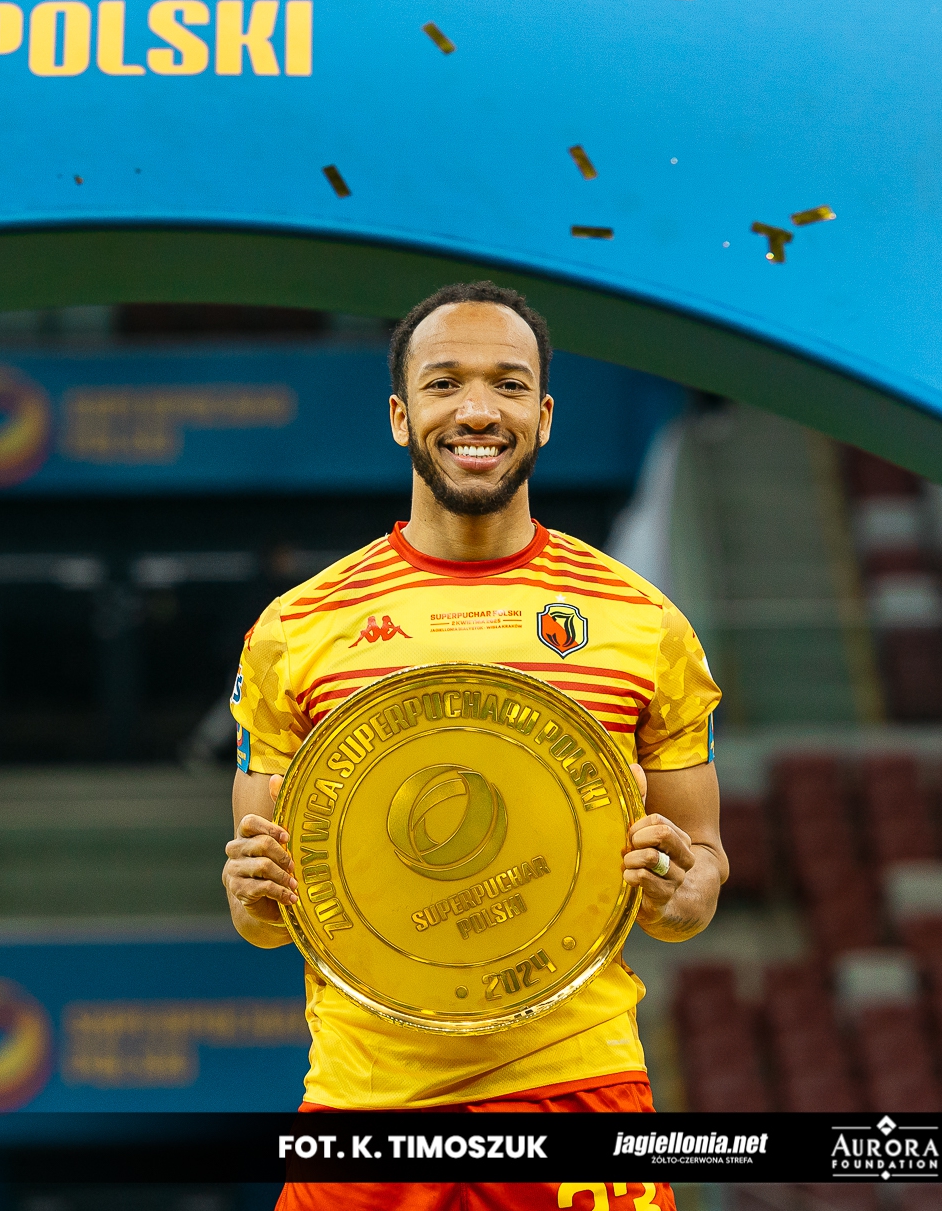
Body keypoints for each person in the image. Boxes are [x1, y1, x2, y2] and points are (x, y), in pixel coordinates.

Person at [221, 282, 727, 1211]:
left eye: (508, 383)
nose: (478, 410)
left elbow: (694, 882)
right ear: (399, 414)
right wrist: (250, 894)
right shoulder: (296, 631)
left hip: (574, 1085)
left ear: (544, 414)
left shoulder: (641, 622)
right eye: (445, 382)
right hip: (366, 1102)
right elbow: (268, 916)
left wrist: (686, 889)